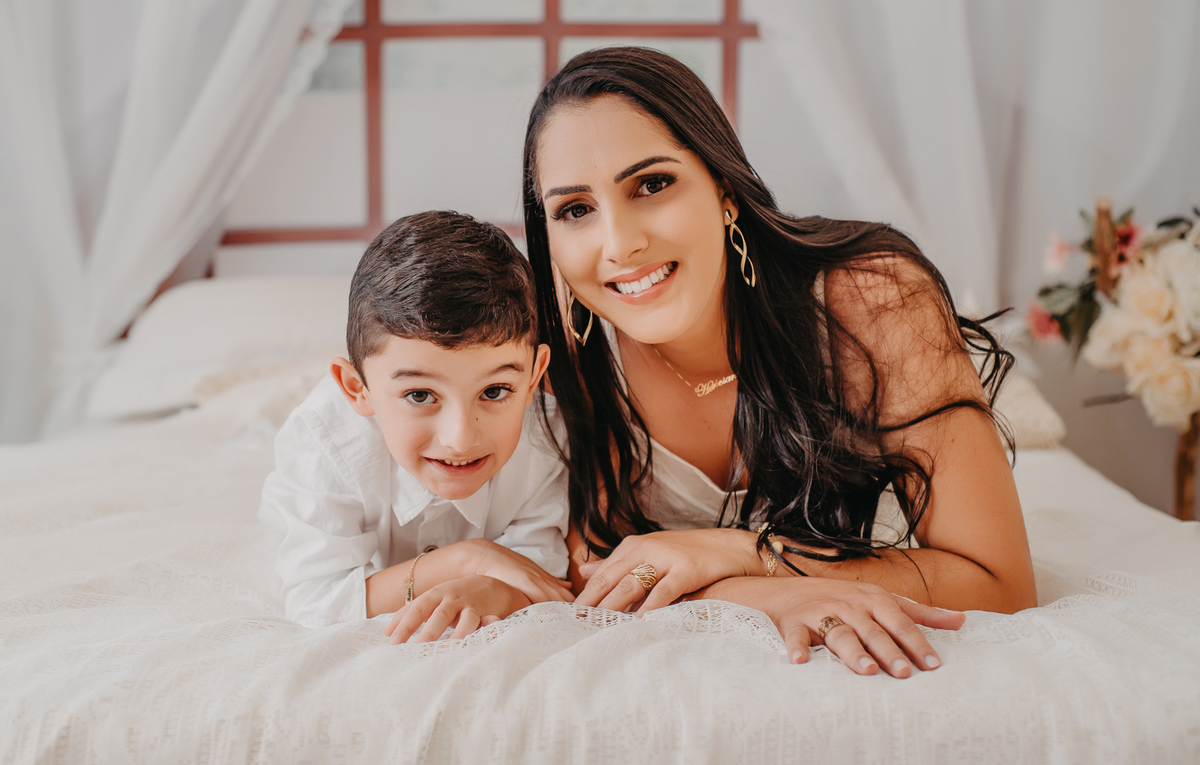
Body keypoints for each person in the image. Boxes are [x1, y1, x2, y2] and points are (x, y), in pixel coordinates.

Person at [520, 47, 1037, 678]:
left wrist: (746, 553)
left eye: (652, 184)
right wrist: (761, 592)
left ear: (724, 188)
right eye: (575, 210)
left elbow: (1000, 583)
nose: (620, 243)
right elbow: (601, 579)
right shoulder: (559, 354)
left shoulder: (873, 301)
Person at [260, 211, 573, 643]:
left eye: (495, 391)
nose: (460, 438)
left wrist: (497, 589)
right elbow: (317, 601)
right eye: (420, 395)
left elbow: (539, 574)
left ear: (535, 376)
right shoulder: (323, 439)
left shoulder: (546, 435)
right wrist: (466, 561)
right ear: (357, 388)